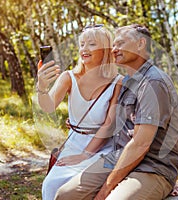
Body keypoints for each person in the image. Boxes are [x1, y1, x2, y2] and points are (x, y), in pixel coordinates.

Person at [54, 24, 178, 200]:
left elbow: (140, 144)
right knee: (65, 195)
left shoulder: (153, 82)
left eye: (120, 43)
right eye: (113, 44)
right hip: (117, 158)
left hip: (152, 167)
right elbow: (111, 120)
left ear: (140, 44)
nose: (114, 49)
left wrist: (106, 189)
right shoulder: (128, 80)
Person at [36, 25, 122, 200]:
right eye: (82, 44)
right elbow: (48, 107)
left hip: (102, 147)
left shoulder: (117, 82)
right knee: (51, 185)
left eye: (91, 44)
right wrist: (42, 88)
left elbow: (108, 125)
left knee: (81, 187)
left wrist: (85, 155)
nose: (84, 49)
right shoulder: (69, 77)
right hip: (74, 143)